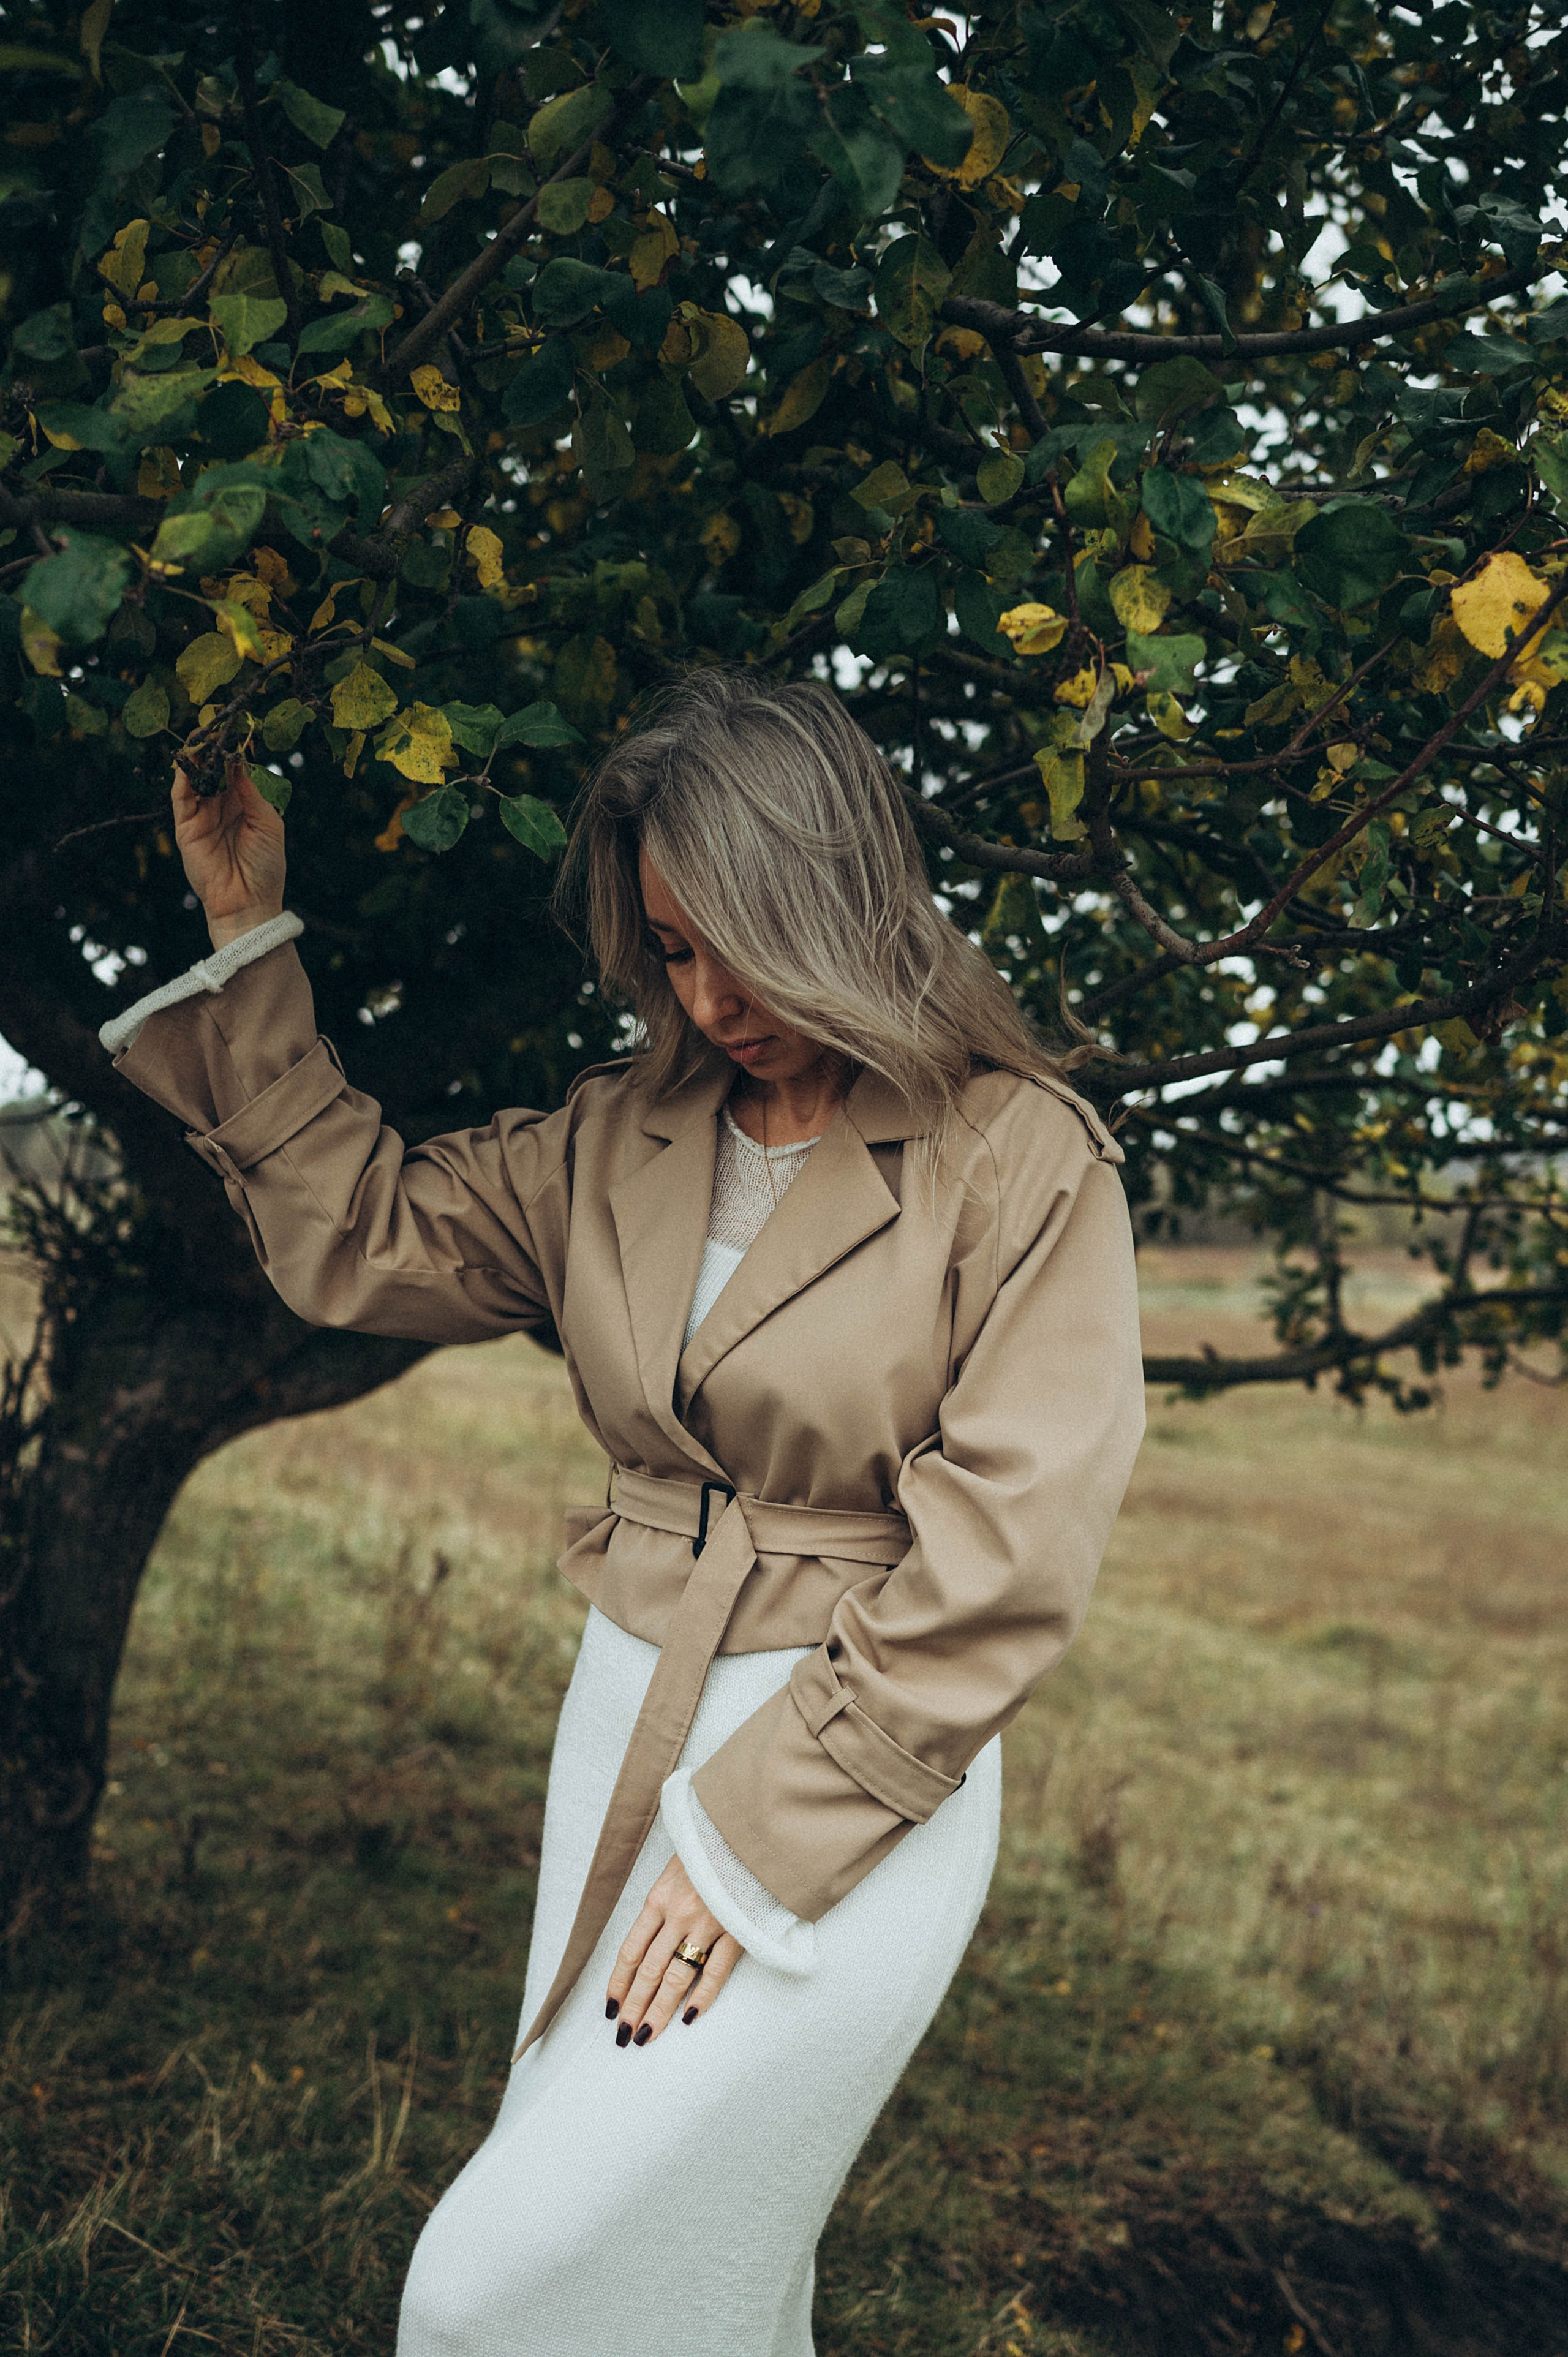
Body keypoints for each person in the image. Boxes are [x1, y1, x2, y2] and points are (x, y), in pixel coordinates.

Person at [101, 668, 1146, 2357]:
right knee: (693, 2292)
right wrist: (252, 925)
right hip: (622, 1716)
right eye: (671, 948)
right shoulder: (619, 1136)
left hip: (857, 1768)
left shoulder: (1019, 1159)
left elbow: (1013, 1553)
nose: (713, 993)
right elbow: (356, 1236)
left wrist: (755, 1852)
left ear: (837, 889)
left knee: (492, 2285)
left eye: (740, 934)